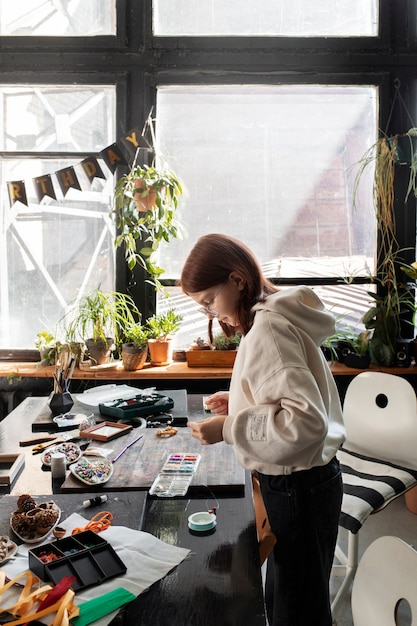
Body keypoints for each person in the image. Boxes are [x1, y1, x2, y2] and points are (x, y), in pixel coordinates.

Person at [180, 233, 346, 626]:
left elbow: (305, 424)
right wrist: (240, 400)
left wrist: (230, 426)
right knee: (289, 597)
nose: (211, 315)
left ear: (237, 280)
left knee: (298, 610)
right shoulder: (271, 317)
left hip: (299, 488)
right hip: (304, 484)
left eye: (209, 302)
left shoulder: (268, 331)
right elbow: (284, 396)